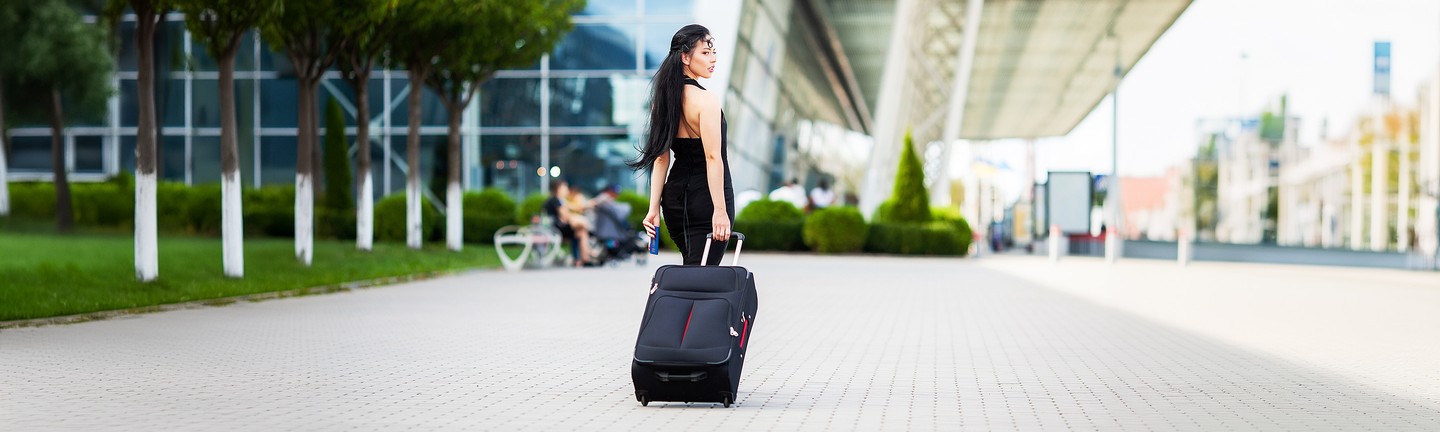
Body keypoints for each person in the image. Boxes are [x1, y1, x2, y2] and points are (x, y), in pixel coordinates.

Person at [628, 24, 733, 265]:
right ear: (685, 57)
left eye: (713, 52)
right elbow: (713, 158)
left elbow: (661, 158)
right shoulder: (706, 101)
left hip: (674, 200)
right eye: (705, 53)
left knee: (692, 269)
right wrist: (720, 210)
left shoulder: (663, 101)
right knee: (702, 278)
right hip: (706, 199)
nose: (713, 59)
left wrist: (653, 209)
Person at [543, 180, 594, 267]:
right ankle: (587, 255)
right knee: (582, 228)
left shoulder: (560, 200)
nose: (567, 190)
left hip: (559, 228)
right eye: (565, 187)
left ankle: (583, 258)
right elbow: (564, 215)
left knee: (581, 231)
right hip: (557, 229)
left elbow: (574, 209)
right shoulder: (555, 200)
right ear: (558, 189)